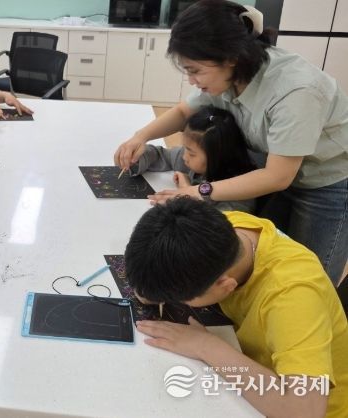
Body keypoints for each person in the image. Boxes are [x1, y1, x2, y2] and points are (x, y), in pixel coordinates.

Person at [113, 0, 348, 284]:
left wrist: (199, 191)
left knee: (310, 277)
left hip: (324, 183)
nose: (191, 81)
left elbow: (277, 176)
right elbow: (184, 111)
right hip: (275, 169)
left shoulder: (296, 91)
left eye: (196, 71)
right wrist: (140, 137)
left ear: (231, 58)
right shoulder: (230, 75)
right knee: (268, 260)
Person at [125, 197, 348, 418]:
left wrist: (206, 346)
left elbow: (304, 411)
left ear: (225, 285)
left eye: (181, 299)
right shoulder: (226, 227)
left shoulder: (294, 297)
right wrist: (152, 285)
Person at [128, 105, 255, 212]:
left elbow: (217, 227)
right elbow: (161, 155)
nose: (184, 156)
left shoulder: (239, 195)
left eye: (192, 153)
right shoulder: (193, 162)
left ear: (217, 157)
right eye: (185, 148)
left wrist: (188, 193)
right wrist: (136, 159)